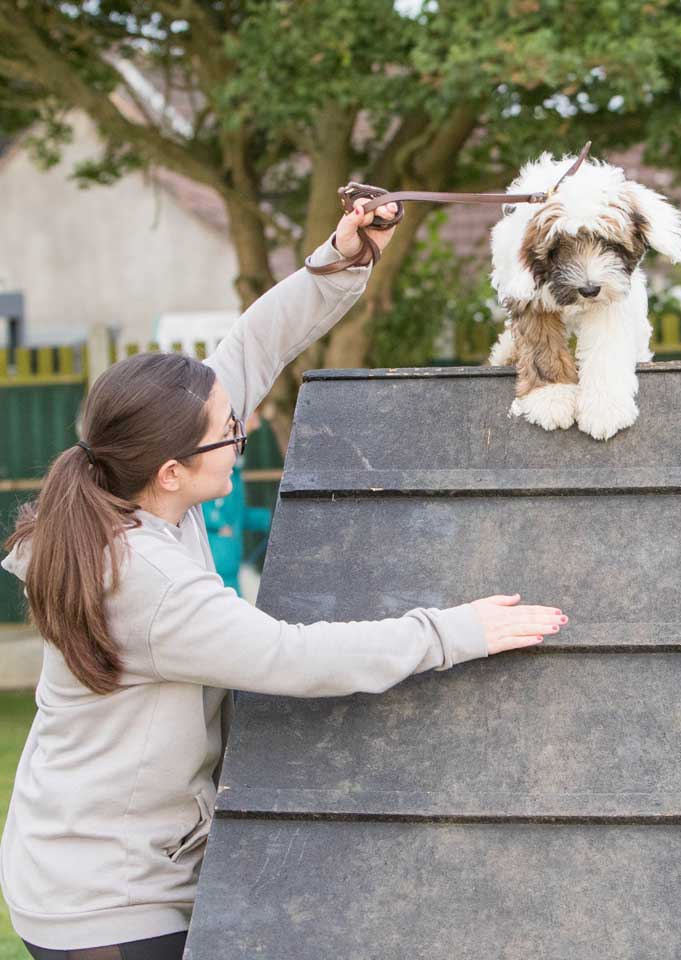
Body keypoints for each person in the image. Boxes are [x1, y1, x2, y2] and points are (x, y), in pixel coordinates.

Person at [0, 200, 567, 960]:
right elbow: (295, 659)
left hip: (81, 859)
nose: (244, 431)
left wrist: (341, 257)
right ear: (174, 470)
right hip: (111, 903)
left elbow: (249, 348)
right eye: (231, 431)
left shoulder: (134, 483)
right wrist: (454, 631)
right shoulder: (148, 584)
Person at [201, 410, 272, 596]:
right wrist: (218, 525)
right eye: (254, 416)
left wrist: (270, 519)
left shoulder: (236, 465)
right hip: (220, 556)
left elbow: (236, 511)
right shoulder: (221, 462)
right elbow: (205, 501)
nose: (257, 423)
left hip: (229, 554)